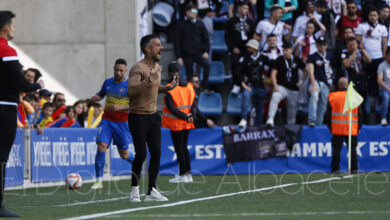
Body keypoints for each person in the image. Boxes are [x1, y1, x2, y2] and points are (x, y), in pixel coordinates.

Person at [0, 11, 43, 217]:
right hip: (5, 108)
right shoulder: (6, 50)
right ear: (6, 28)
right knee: (1, 158)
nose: (15, 29)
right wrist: (36, 85)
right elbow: (20, 82)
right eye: (14, 26)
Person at [128, 34, 178, 202]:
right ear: (147, 49)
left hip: (153, 116)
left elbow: (153, 89)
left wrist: (167, 88)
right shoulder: (138, 68)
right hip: (138, 117)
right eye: (157, 45)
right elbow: (132, 90)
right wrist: (149, 80)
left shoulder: (156, 67)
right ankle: (134, 190)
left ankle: (152, 191)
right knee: (141, 155)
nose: (161, 48)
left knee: (156, 152)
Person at [90, 58, 134, 189]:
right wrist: (97, 97)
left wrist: (120, 108)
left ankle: (137, 161)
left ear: (125, 71)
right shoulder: (108, 82)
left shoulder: (130, 85)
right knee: (101, 146)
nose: (118, 72)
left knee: (124, 155)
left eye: (121, 70)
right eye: (116, 70)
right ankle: (99, 180)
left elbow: (137, 105)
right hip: (107, 121)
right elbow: (102, 94)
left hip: (122, 123)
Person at [162, 62, 195, 183]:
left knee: (179, 148)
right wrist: (190, 116)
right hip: (187, 122)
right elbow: (193, 105)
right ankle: (188, 174)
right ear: (180, 73)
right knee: (184, 148)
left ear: (169, 73)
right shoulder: (189, 87)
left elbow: (172, 109)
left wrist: (185, 117)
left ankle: (182, 175)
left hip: (177, 123)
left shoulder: (170, 88)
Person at [356, 8, 388, 123]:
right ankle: (367, 112)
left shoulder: (382, 28)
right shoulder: (361, 27)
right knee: (367, 85)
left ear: (378, 16)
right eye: (371, 15)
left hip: (378, 58)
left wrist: (384, 57)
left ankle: (378, 111)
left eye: (375, 15)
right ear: (368, 16)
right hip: (366, 59)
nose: (373, 17)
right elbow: (358, 42)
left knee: (378, 83)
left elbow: (384, 43)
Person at [266, 41, 307, 127]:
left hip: (293, 88)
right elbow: (273, 73)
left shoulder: (296, 59)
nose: (284, 52)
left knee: (292, 108)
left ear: (291, 50)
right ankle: (270, 119)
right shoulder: (279, 59)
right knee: (275, 96)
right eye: (283, 50)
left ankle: (291, 126)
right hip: (282, 86)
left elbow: (305, 71)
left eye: (286, 50)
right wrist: (275, 85)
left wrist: (301, 82)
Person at [327, 77, 361, 173]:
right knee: (352, 149)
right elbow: (360, 113)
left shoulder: (332, 96)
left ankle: (335, 169)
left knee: (337, 149)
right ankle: (354, 169)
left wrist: (329, 126)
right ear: (347, 85)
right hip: (351, 127)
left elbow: (328, 114)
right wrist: (360, 126)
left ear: (338, 85)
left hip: (337, 127)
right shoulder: (353, 96)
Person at [174, 4, 210, 89]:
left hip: (198, 53)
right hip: (187, 54)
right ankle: (191, 91)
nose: (194, 14)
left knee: (207, 65)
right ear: (186, 12)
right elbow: (177, 42)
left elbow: (206, 39)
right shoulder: (180, 24)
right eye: (191, 11)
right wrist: (178, 56)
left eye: (195, 12)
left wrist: (206, 51)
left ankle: (204, 86)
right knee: (189, 74)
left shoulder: (200, 24)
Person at [225, 0, 255, 94]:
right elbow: (227, 36)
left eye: (248, 8)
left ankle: (245, 83)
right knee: (235, 64)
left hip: (246, 47)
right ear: (239, 9)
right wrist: (232, 47)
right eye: (245, 8)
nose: (247, 10)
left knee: (247, 65)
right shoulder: (231, 21)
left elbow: (252, 36)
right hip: (236, 47)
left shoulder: (250, 22)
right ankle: (236, 84)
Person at [238, 39, 267, 128]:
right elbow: (238, 72)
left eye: (249, 47)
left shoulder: (264, 58)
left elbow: (273, 69)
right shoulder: (245, 58)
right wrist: (242, 83)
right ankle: (243, 119)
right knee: (246, 95)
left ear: (254, 48)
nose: (248, 48)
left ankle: (258, 127)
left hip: (261, 86)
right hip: (250, 85)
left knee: (260, 109)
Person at [307, 36, 333, 126]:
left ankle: (319, 123)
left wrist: (330, 82)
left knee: (323, 103)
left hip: (326, 83)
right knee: (314, 95)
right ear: (317, 45)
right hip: (316, 81)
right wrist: (313, 84)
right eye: (320, 44)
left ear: (326, 45)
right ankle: (312, 120)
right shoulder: (312, 56)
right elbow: (311, 71)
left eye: (324, 44)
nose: (322, 46)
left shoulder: (330, 56)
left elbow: (331, 69)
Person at [377, 48, 390, 126]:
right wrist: (387, 88)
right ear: (386, 56)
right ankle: (383, 118)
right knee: (386, 97)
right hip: (384, 89)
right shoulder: (382, 65)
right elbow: (379, 80)